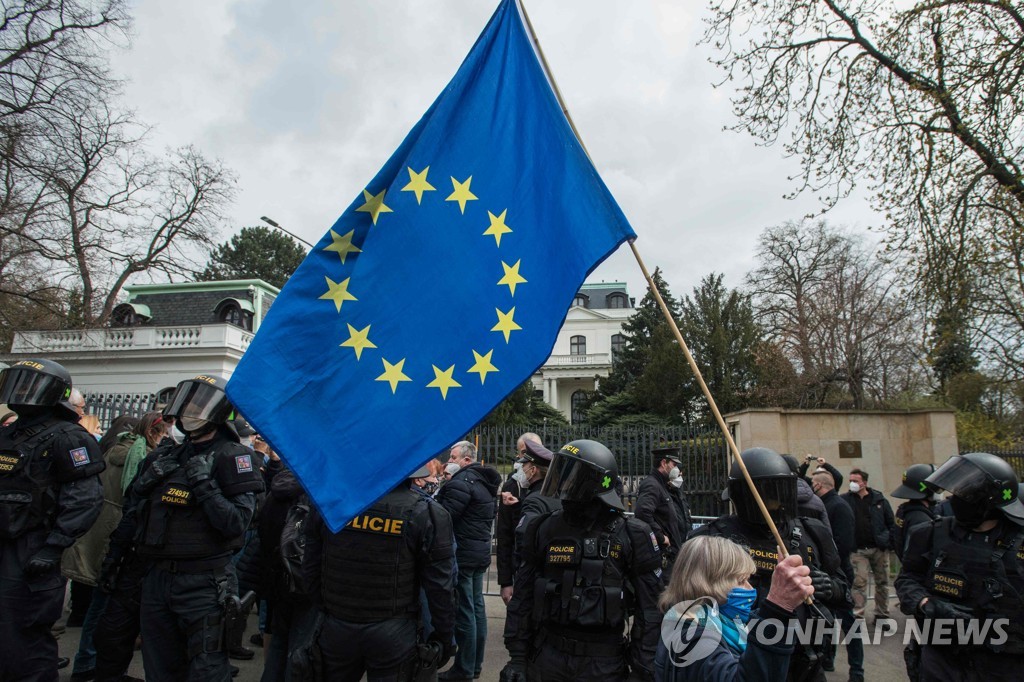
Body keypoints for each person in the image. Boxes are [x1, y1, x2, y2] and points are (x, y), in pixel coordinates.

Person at [120, 374, 264, 681]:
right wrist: (144, 483)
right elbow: (133, 510)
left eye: (198, 404)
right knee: (159, 665)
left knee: (206, 668)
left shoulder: (234, 456)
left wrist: (204, 485)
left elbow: (236, 523)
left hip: (204, 582)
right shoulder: (167, 453)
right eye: (187, 402)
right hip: (157, 576)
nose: (189, 411)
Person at [502, 439, 664, 682]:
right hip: (547, 656)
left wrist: (642, 670)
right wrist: (517, 657)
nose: (565, 484)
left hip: (603, 662)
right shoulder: (543, 528)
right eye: (562, 473)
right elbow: (523, 598)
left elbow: (651, 610)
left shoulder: (632, 534)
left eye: (573, 477)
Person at [688, 447, 851, 682]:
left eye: (774, 494)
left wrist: (828, 587)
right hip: (748, 662)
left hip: (807, 662)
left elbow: (844, 590)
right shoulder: (714, 540)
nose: (768, 502)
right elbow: (689, 603)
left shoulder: (812, 532)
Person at [302, 461, 457, 681]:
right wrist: (444, 637)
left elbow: (310, 567)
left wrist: (326, 606)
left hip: (338, 623)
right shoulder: (426, 512)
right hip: (392, 630)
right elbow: (441, 587)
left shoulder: (330, 503)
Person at [0, 358, 105, 680]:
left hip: (33, 545)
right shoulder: (9, 434)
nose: (22, 393)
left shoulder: (68, 437)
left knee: (23, 639)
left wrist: (53, 546)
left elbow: (85, 499)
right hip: (5, 539)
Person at [895, 452, 1024, 680]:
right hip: (943, 658)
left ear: (987, 500)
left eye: (964, 494)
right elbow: (907, 579)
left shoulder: (1018, 543)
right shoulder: (930, 534)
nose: (955, 498)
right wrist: (926, 604)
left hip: (1003, 662)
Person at [64, 411, 166, 681]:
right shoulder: (138, 455)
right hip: (115, 531)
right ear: (154, 432)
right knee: (104, 604)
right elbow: (132, 497)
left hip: (103, 527)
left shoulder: (114, 447)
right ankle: (88, 664)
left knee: (100, 602)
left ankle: (87, 662)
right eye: (164, 433)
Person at [655, 535, 815, 681]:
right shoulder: (692, 638)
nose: (750, 588)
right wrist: (778, 607)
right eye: (741, 580)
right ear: (710, 583)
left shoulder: (718, 622)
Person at [436, 440, 501, 682]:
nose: (449, 462)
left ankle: (463, 668)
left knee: (465, 612)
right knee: (476, 609)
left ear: (466, 460)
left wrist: (445, 487)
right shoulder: (484, 483)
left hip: (463, 554)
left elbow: (443, 518)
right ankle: (474, 665)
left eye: (452, 457)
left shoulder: (462, 483)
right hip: (478, 553)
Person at [811, 470, 864, 680]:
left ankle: (857, 670)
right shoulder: (822, 504)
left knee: (847, 621)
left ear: (820, 485)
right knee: (826, 619)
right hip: (826, 574)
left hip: (838, 574)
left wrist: (828, 563)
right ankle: (829, 658)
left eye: (813, 482)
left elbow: (843, 543)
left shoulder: (839, 506)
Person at [841, 468, 895, 627]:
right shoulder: (846, 500)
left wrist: (887, 541)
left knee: (882, 582)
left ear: (864, 482)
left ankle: (882, 614)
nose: (852, 484)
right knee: (859, 583)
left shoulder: (879, 500)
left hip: (878, 549)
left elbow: (890, 523)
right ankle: (858, 616)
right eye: (850, 480)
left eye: (855, 481)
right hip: (858, 550)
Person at [496, 432, 542, 605]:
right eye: (525, 451)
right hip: (520, 565)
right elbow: (505, 535)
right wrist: (505, 581)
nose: (530, 455)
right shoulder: (512, 485)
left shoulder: (553, 485)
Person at [635, 445, 688, 569]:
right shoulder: (652, 485)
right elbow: (642, 513)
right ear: (664, 463)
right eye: (674, 465)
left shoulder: (661, 484)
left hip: (671, 553)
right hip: (662, 554)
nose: (676, 469)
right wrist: (661, 537)